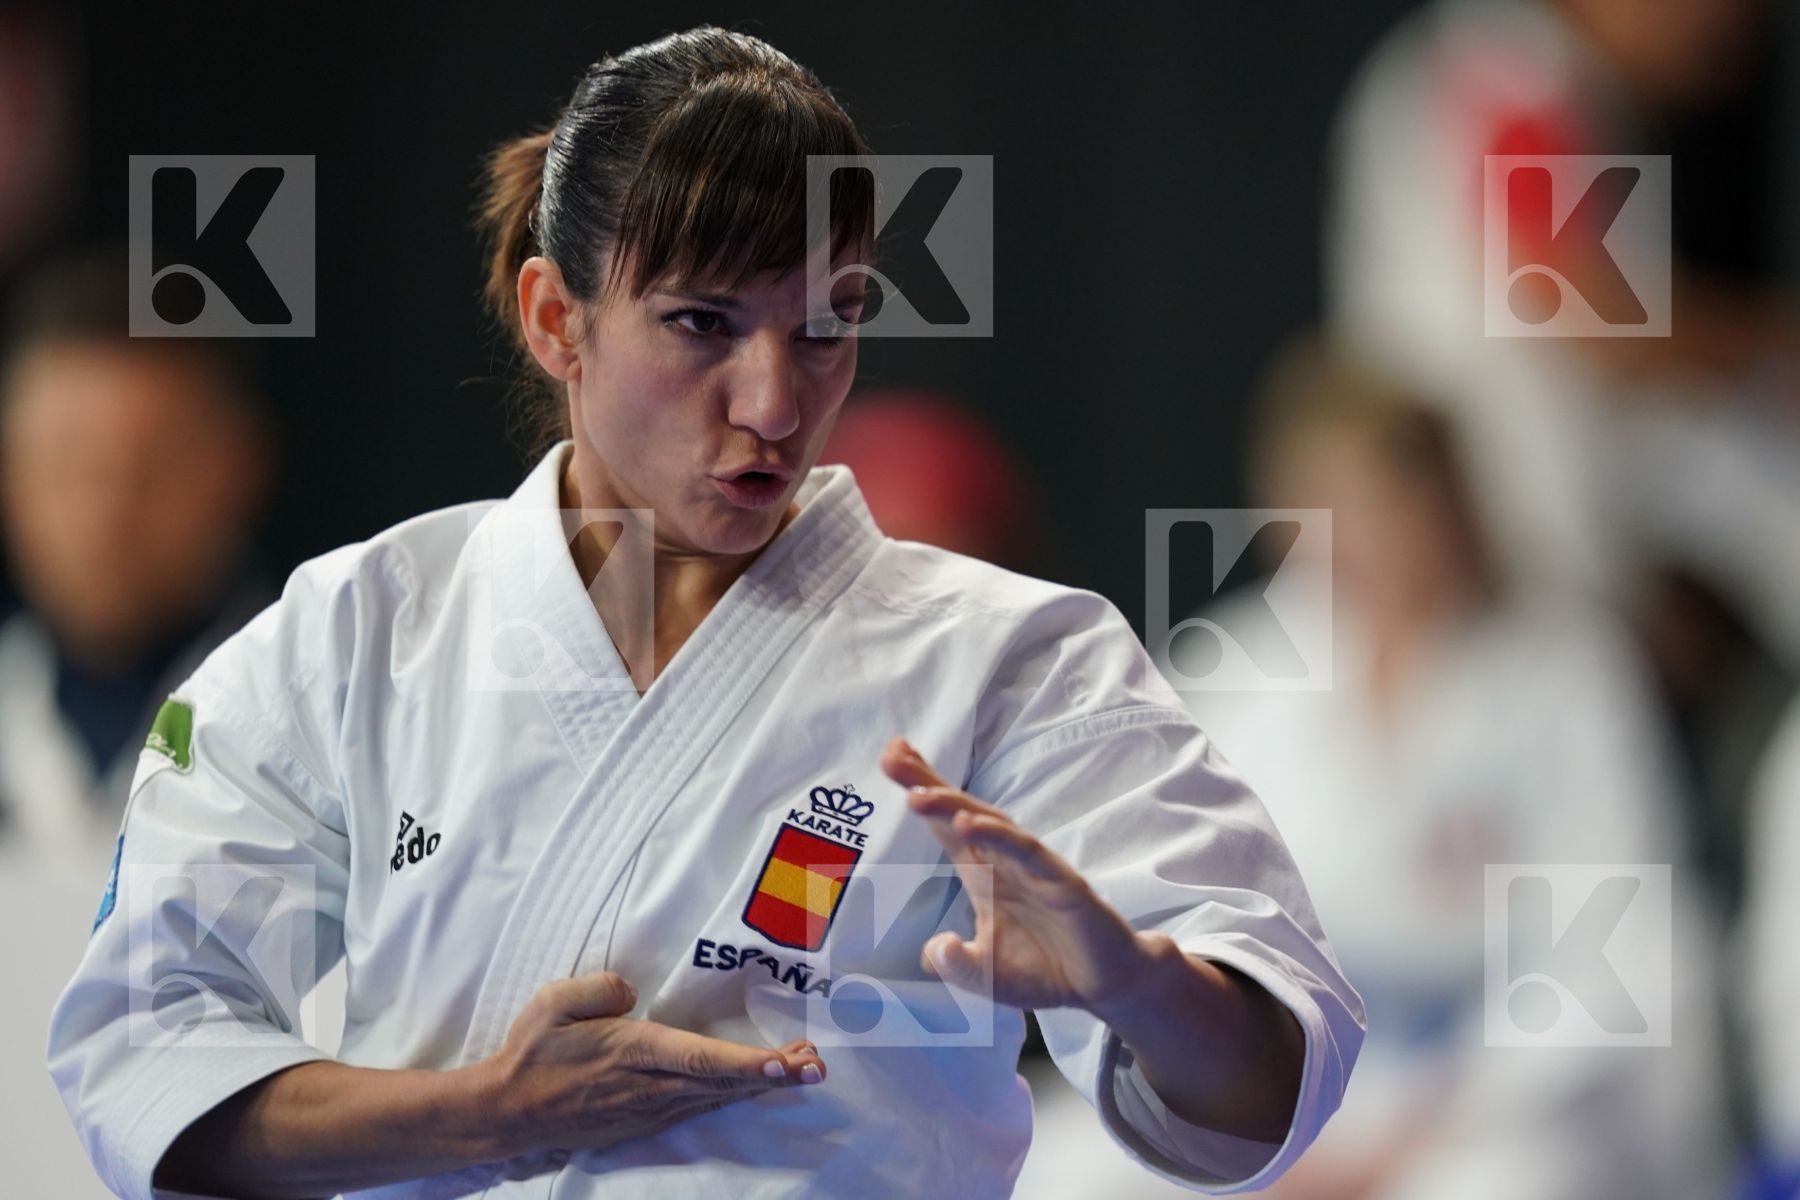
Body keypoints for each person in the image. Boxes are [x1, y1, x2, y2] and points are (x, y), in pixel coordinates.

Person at [47, 27, 1364, 1200]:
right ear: (556, 317)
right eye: (702, 324)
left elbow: (1264, 1084)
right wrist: (482, 1118)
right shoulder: (348, 641)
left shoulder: (1010, 661)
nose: (775, 404)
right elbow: (146, 1056)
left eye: (828, 326)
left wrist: (1137, 985)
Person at [1177, 337, 1728, 1200]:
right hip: (1292, 1086)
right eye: (1320, 502)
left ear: (1446, 503)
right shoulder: (1235, 666)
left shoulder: (1563, 671)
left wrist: (1415, 1127)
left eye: (1379, 502)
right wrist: (1267, 1116)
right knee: (1069, 1168)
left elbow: (1609, 958)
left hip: (1507, 1099)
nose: (1355, 536)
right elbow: (1182, 914)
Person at [0, 246, 273, 866]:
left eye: (152, 465)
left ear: (238, 468)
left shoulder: (334, 729)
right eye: (68, 462)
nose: (106, 512)